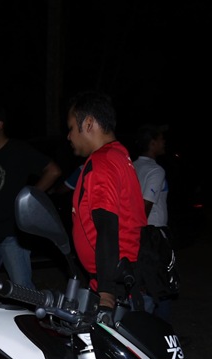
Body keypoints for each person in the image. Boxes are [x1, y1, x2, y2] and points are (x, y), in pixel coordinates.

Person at [0, 105, 62, 305]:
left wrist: (29, 197)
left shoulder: (19, 150)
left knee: (23, 291)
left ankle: (32, 322)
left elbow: (53, 170)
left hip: (12, 235)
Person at [66, 90, 146, 313]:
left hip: (113, 287)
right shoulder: (119, 155)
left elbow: (107, 226)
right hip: (122, 278)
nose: (69, 136)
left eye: (71, 128)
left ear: (88, 123)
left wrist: (106, 291)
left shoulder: (102, 161)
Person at [133, 123, 176, 322]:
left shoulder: (132, 166)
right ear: (152, 143)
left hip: (135, 233)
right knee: (159, 284)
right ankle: (157, 331)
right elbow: (145, 207)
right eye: (160, 139)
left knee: (145, 283)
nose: (163, 143)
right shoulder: (155, 171)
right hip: (152, 235)